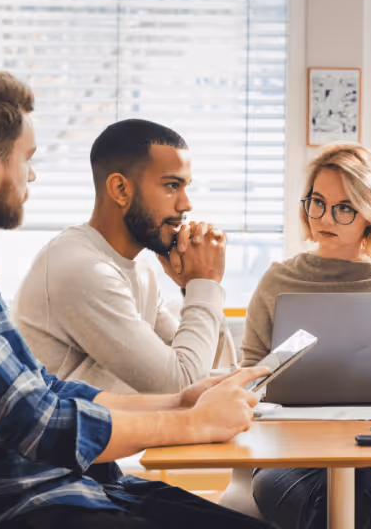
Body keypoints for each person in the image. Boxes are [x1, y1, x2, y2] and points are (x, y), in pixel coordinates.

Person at [0, 69, 273, 528]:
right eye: (27, 158)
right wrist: (192, 419)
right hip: (17, 503)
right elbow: (38, 422)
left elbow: (47, 389)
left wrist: (185, 403)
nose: (32, 174)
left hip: (70, 482)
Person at [242, 143, 371, 529]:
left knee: (357, 496)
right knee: (325, 503)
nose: (325, 217)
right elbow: (248, 378)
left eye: (344, 208)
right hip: (290, 452)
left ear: (370, 216)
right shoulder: (278, 280)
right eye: (317, 202)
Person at [15, 119, 235, 394]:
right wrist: (204, 283)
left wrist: (195, 287)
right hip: (69, 435)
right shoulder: (84, 270)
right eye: (171, 185)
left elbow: (206, 369)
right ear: (120, 190)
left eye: (186, 186)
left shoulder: (137, 271)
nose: (186, 204)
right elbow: (179, 384)